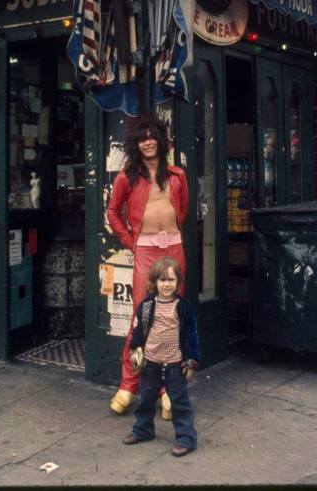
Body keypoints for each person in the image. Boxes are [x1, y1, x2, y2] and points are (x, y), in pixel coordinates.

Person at [106, 115, 188, 417]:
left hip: (174, 249)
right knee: (142, 319)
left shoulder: (177, 175)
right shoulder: (126, 177)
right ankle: (128, 385)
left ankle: (168, 391)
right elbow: (113, 212)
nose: (148, 141)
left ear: (162, 141)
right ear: (136, 144)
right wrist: (132, 242)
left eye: (153, 136)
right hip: (146, 251)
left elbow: (183, 210)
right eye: (142, 138)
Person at [122, 256, 199, 457]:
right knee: (145, 399)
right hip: (151, 363)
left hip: (175, 364)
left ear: (178, 283)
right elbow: (138, 331)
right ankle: (143, 430)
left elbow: (192, 336)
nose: (167, 285)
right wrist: (135, 351)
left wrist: (190, 362)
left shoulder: (183, 307)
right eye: (163, 280)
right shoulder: (146, 306)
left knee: (180, 402)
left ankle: (186, 438)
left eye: (171, 280)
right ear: (155, 282)